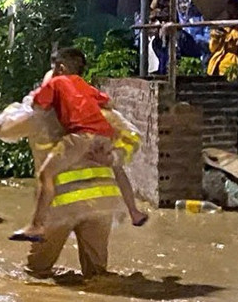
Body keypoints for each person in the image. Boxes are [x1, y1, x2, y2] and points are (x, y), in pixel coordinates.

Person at [12, 46, 149, 242]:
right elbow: (108, 102)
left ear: (60, 67)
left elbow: (36, 106)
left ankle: (36, 225)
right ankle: (134, 211)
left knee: (45, 174)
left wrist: (45, 88)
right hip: (104, 134)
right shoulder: (84, 86)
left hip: (82, 135)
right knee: (117, 168)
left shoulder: (56, 82)